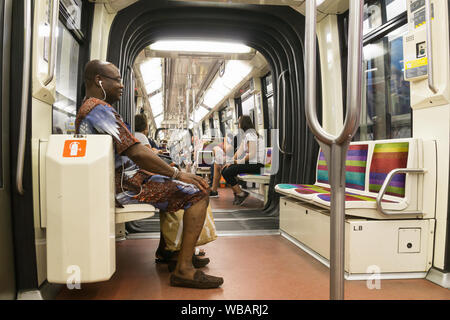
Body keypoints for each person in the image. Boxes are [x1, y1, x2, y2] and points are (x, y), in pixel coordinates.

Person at [75, 60, 223, 289]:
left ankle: (168, 252)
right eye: (117, 80)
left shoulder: (92, 107)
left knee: (170, 188)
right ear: (99, 80)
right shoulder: (98, 109)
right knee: (196, 193)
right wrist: (176, 173)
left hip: (117, 179)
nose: (122, 85)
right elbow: (136, 152)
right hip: (123, 185)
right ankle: (183, 269)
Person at [221, 115, 265, 205]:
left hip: (257, 165)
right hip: (252, 163)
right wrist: (230, 161)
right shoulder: (246, 135)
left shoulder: (251, 135)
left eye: (239, 123)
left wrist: (236, 162)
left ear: (243, 124)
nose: (238, 125)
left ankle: (240, 194)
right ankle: (239, 193)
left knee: (227, 172)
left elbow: (252, 154)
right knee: (225, 170)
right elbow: (239, 151)